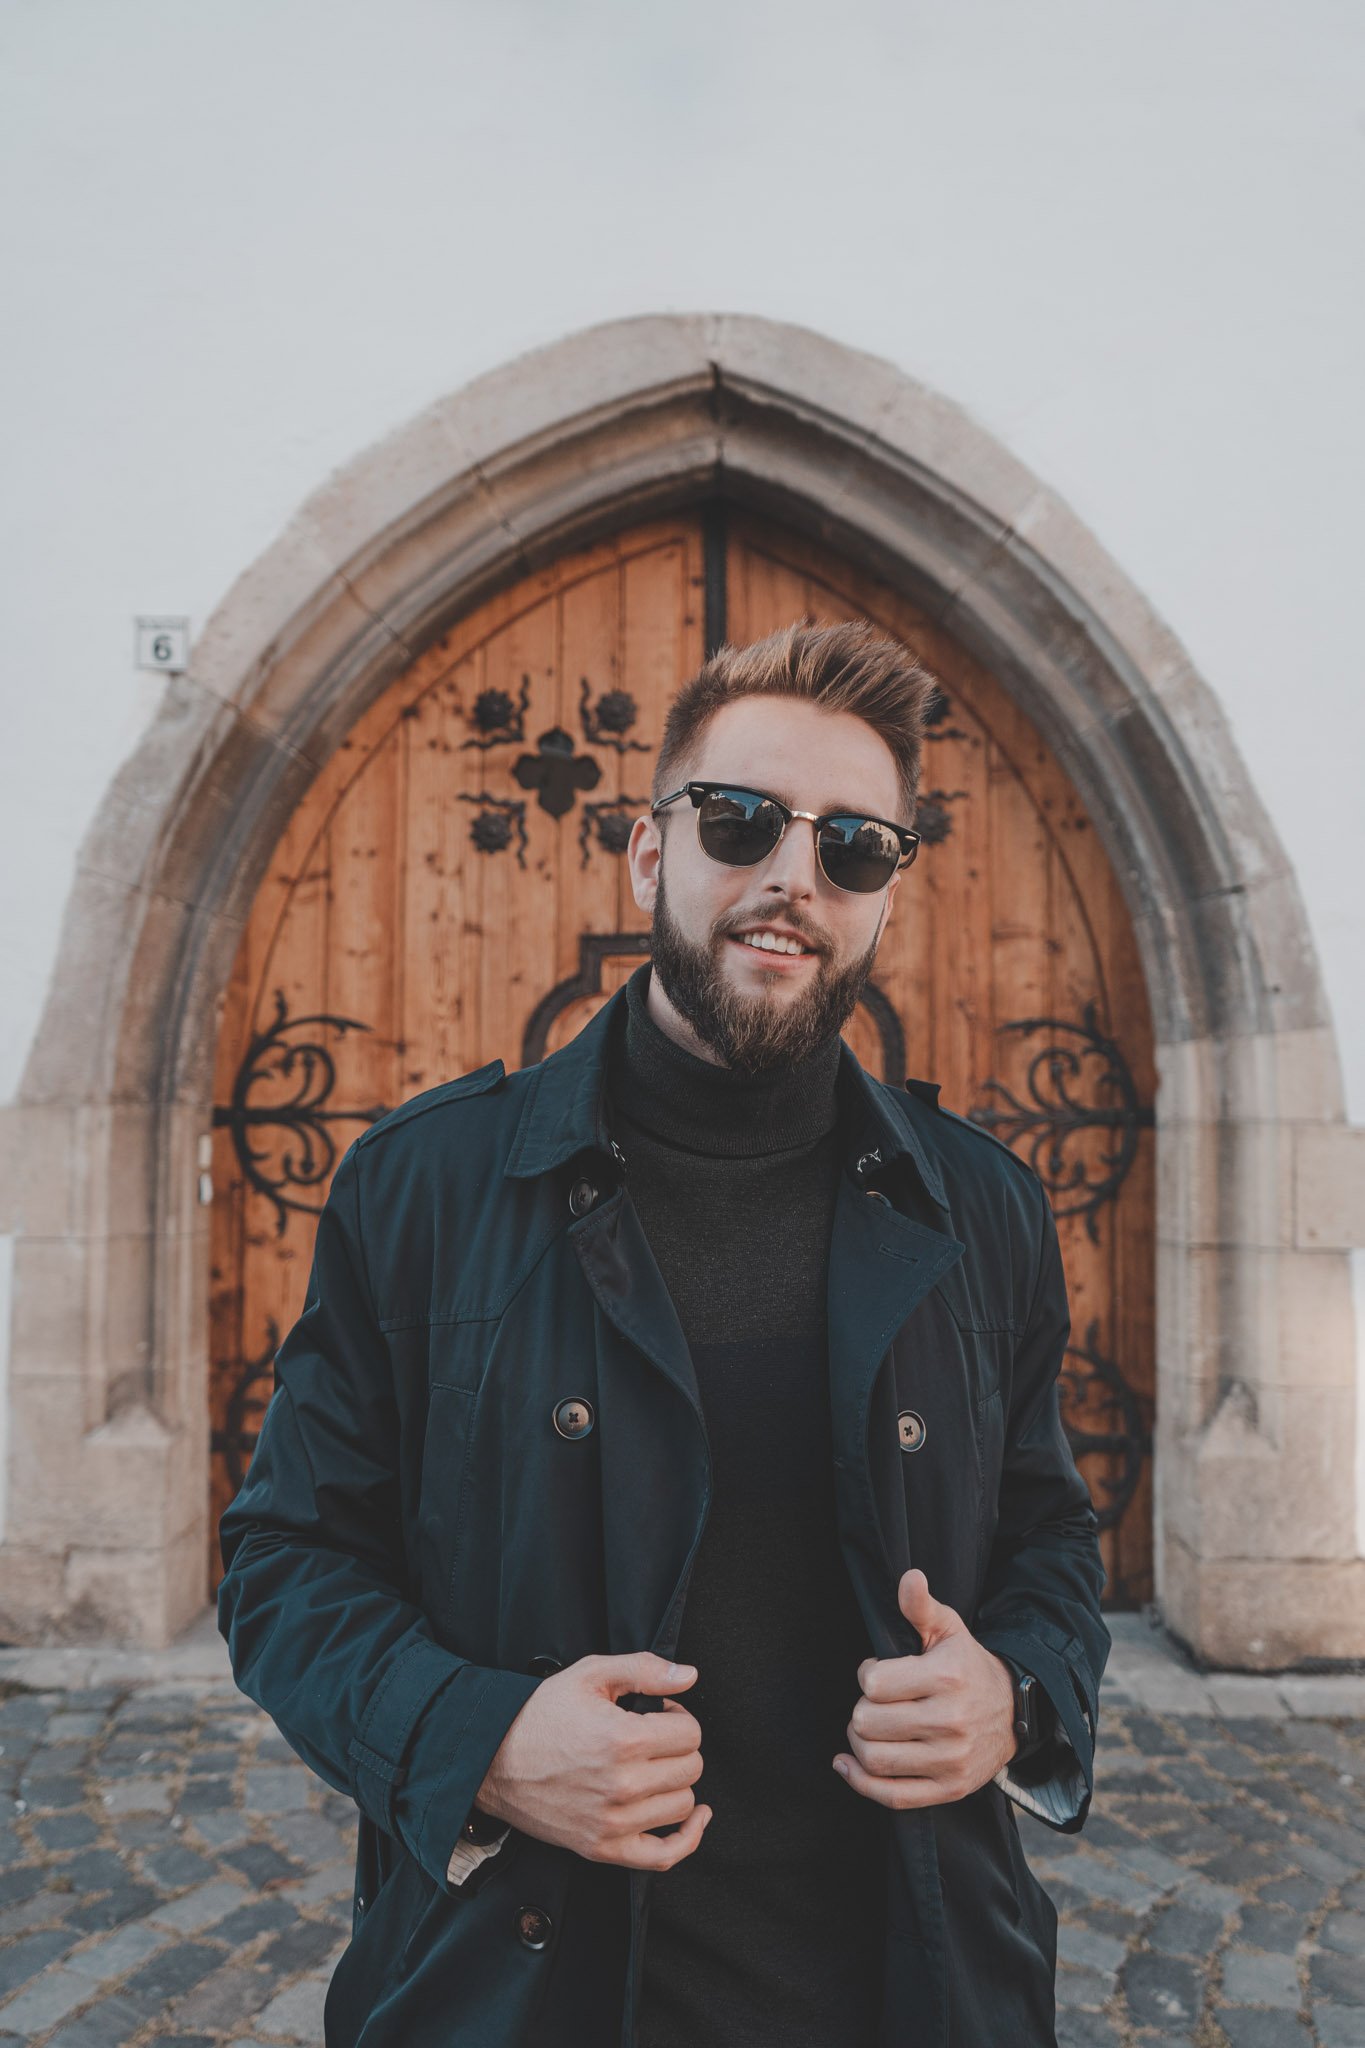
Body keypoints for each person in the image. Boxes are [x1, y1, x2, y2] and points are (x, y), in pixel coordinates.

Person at [218, 619, 1110, 2048]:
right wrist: (485, 1742)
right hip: (520, 1990)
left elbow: (1049, 1539)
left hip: (917, 1988)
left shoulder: (981, 1210)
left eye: (853, 848)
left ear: (885, 896)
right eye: (740, 821)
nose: (789, 879)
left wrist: (1011, 1691)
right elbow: (284, 1563)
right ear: (648, 853)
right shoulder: (425, 1188)